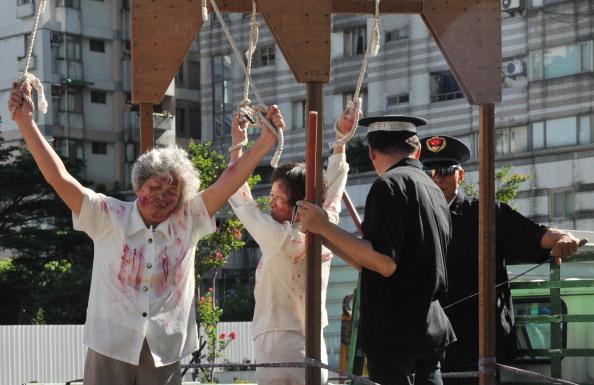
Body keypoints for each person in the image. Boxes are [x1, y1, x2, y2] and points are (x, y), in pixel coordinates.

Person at [8, 81, 284, 385]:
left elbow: (227, 182)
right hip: (110, 344)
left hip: (163, 348)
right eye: (155, 187)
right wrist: (26, 123)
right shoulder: (108, 216)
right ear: (140, 186)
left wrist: (263, 144)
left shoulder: (188, 219)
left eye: (172, 190)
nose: (162, 196)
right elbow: (60, 178)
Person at [297, 115, 456, 385]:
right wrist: (326, 236)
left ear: (372, 151)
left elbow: (384, 263)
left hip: (395, 328)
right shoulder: (434, 189)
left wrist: (324, 227)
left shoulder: (389, 185)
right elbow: (370, 260)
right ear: (415, 149)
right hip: (428, 324)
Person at [418, 135, 581, 381]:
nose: (438, 179)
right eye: (430, 173)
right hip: (431, 339)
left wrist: (564, 237)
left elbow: (536, 235)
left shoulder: (485, 212)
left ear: (460, 176)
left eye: (445, 171)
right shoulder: (414, 217)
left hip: (478, 341)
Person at [227, 111, 354, 385]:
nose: (270, 202)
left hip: (277, 342)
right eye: (271, 196)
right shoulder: (325, 227)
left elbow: (240, 197)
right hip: (312, 340)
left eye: (277, 198)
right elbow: (333, 190)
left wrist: (238, 147)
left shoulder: (278, 236)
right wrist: (340, 140)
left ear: (298, 204)